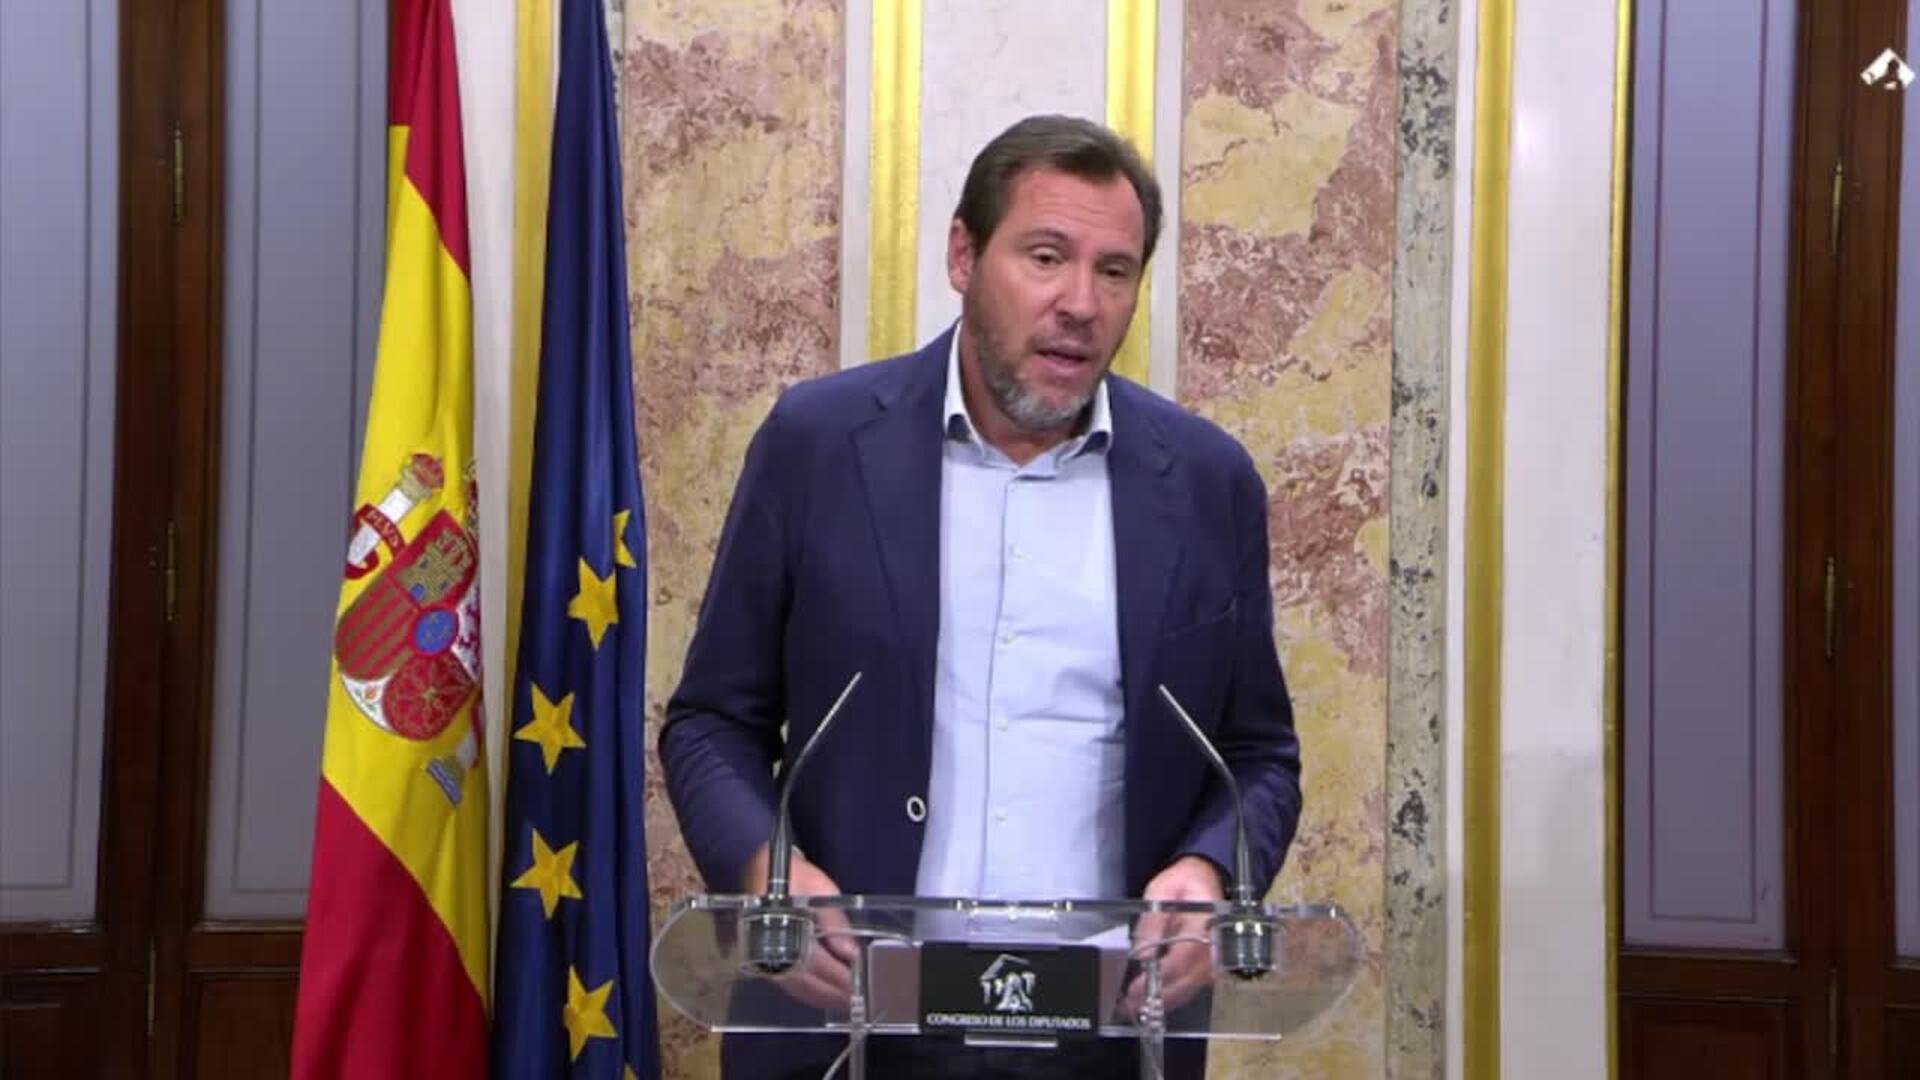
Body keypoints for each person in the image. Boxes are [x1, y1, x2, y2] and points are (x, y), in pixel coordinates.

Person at [659, 114, 1302, 1080]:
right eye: (1045, 257)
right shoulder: (818, 444)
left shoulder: (1209, 482)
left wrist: (1211, 869)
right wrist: (768, 877)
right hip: (849, 1025)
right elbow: (712, 722)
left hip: (1108, 1037)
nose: (1080, 303)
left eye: (1115, 270)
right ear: (963, 255)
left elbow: (1257, 756)